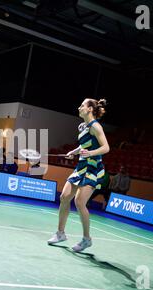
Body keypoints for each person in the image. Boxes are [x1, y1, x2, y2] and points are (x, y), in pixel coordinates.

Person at [48, 98, 109, 252]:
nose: (79, 108)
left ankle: (86, 239)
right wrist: (74, 151)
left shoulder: (96, 126)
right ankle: (60, 234)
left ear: (89, 109)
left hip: (92, 168)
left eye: (82, 105)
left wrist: (90, 153)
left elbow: (106, 147)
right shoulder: (84, 126)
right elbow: (85, 144)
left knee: (80, 202)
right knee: (64, 197)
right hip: (81, 166)